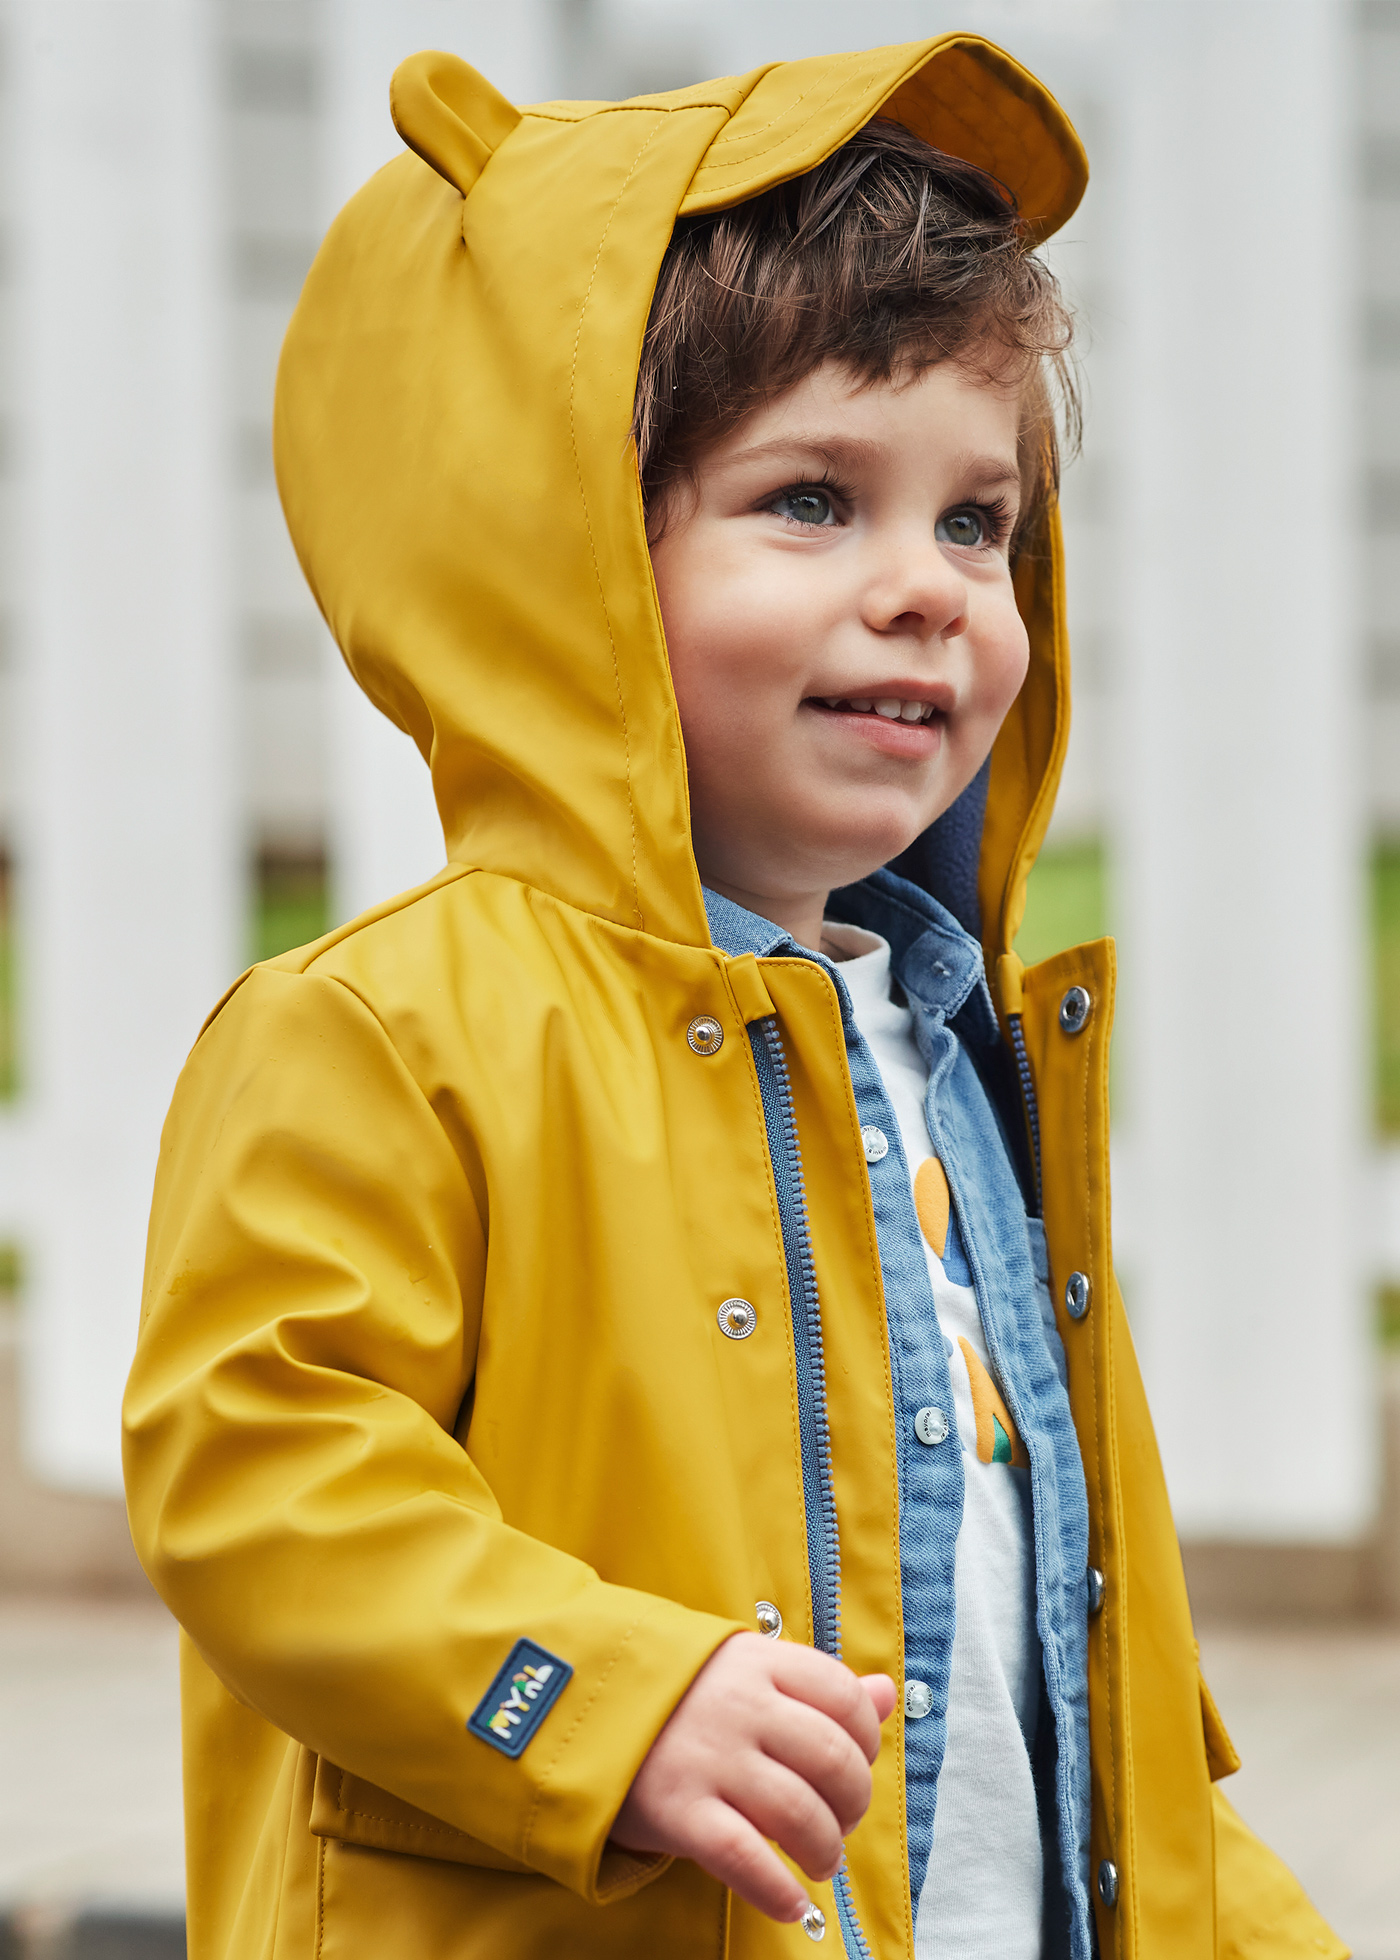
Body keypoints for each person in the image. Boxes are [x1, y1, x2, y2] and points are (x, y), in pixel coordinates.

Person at [123, 33, 1345, 1960]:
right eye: (810, 500)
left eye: (976, 520)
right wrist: (598, 1699)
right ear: (563, 551)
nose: (929, 586)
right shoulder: (390, 1032)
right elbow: (259, 1472)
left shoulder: (962, 1066)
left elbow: (1074, 1664)